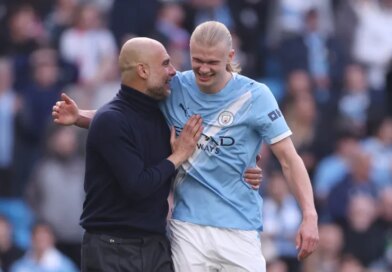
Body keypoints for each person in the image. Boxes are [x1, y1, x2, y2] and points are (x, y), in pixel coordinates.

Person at [52, 21, 318, 272]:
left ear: (230, 56)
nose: (203, 69)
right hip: (187, 228)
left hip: (240, 226)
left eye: (212, 62)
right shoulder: (174, 87)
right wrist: (79, 117)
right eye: (197, 60)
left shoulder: (256, 96)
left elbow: (289, 158)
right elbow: (123, 118)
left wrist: (309, 213)